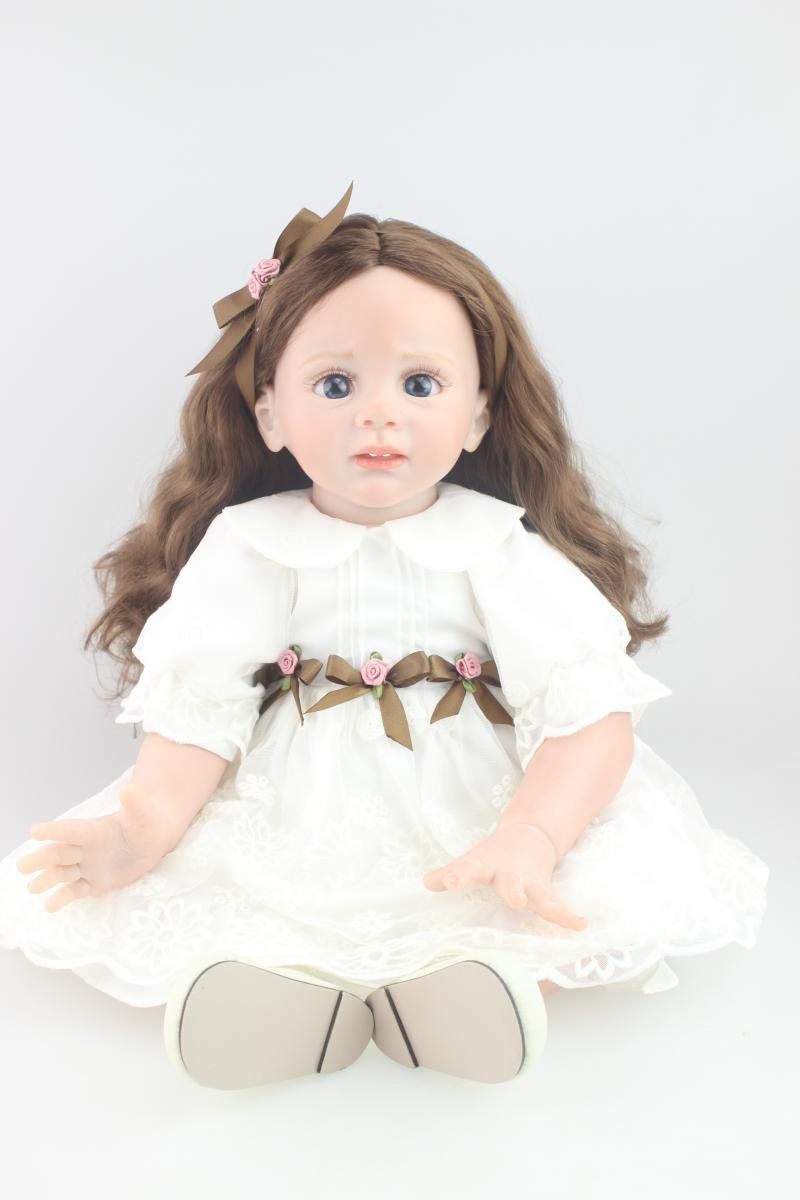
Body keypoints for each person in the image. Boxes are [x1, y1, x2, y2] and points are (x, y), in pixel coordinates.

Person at [0, 182, 769, 1089]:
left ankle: (464, 996)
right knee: (253, 898)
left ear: (479, 412)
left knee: (525, 904)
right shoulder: (249, 547)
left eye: (420, 383)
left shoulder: (497, 546)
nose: (378, 414)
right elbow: (200, 711)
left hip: (475, 802)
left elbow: (588, 714)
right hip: (301, 801)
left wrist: (533, 830)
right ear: (269, 413)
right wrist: (145, 824)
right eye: (335, 384)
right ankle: (289, 1006)